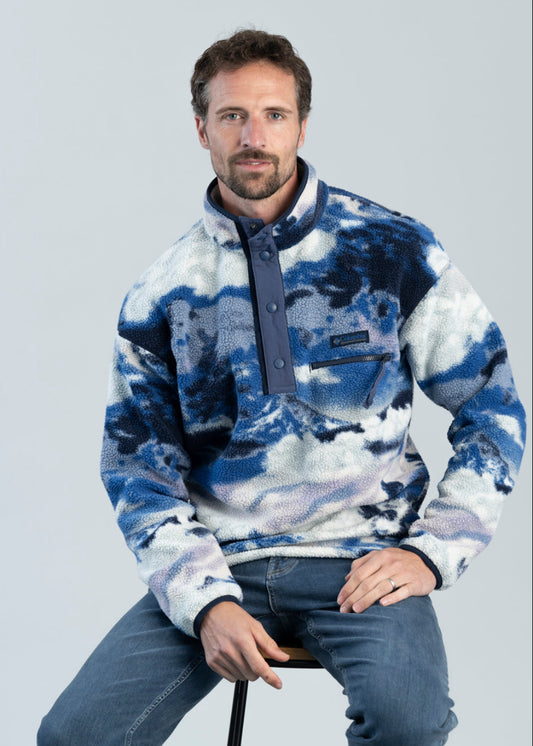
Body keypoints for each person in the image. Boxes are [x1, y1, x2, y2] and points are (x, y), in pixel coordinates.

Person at [38, 29, 526, 745]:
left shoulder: (392, 249)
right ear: (201, 129)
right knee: (75, 736)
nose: (253, 137)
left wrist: (433, 549)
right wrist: (205, 603)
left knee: (407, 725)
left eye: (273, 114)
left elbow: (493, 407)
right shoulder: (162, 293)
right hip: (222, 563)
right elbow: (137, 471)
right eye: (232, 116)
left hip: (363, 560)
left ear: (302, 124)